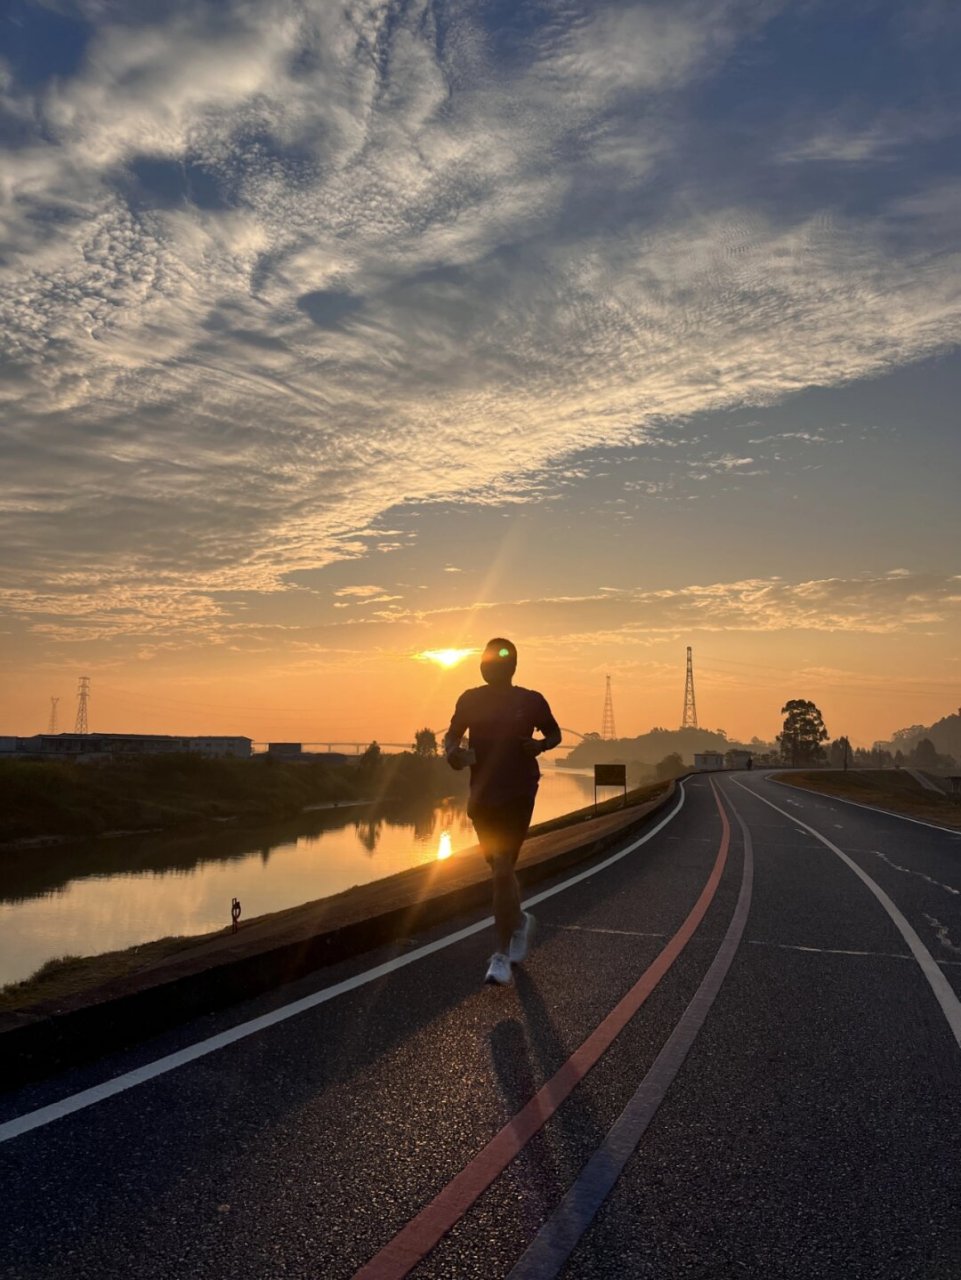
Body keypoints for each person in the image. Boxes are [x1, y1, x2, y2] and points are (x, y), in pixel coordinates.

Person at [444, 637, 562, 985]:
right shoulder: (470, 699)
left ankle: (500, 956)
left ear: (511, 667)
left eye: (499, 660)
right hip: (482, 796)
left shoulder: (530, 700)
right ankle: (521, 921)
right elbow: (451, 737)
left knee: (501, 868)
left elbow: (554, 733)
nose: (493, 666)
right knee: (500, 869)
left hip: (519, 792)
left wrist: (540, 745)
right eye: (488, 660)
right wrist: (452, 754)